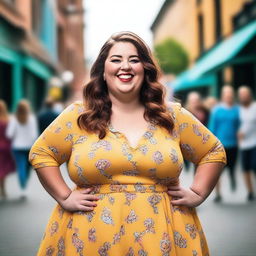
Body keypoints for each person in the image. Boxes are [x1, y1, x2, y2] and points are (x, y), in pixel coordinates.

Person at [29, 31, 226, 256]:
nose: (126, 66)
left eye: (134, 60)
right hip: (88, 238)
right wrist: (64, 196)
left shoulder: (171, 115)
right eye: (116, 60)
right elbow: (42, 151)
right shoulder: (79, 115)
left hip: (165, 236)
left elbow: (212, 151)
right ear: (103, 71)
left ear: (145, 70)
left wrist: (199, 192)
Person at [208, 85, 240, 202]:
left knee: (232, 166)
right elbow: (212, 127)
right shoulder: (217, 110)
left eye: (230, 95)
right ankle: (218, 194)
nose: (229, 97)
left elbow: (240, 125)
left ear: (233, 96)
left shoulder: (237, 110)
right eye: (226, 95)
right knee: (217, 171)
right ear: (223, 96)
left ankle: (232, 176)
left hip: (234, 144)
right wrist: (212, 145)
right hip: (221, 145)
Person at [6, 100, 38, 196]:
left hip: (17, 147)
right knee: (27, 167)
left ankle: (22, 186)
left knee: (21, 166)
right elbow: (34, 135)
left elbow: (9, 134)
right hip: (29, 147)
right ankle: (24, 185)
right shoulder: (31, 118)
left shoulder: (14, 119)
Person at [237, 86, 256, 201]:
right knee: (245, 169)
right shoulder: (238, 110)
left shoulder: (254, 107)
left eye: (246, 94)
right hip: (243, 145)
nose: (244, 97)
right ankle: (250, 192)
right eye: (242, 95)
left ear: (250, 95)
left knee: (255, 167)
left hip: (255, 143)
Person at [0, 100, 15, 199]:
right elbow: (11, 134)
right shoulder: (8, 119)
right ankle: (3, 188)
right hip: (6, 146)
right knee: (3, 168)